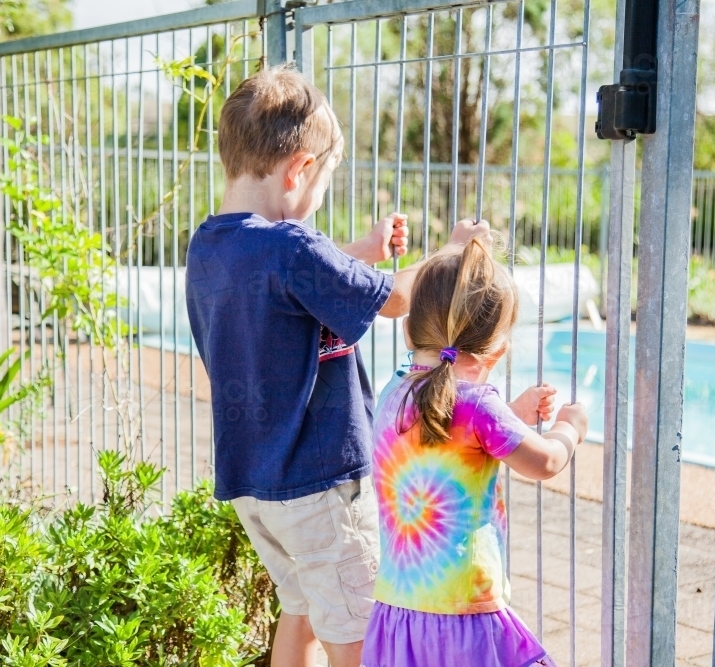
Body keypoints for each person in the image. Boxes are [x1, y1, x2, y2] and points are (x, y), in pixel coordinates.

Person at [185, 64, 494, 667]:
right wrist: (453, 252)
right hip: (318, 480)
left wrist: (360, 254)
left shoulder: (212, 245)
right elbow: (398, 299)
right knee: (357, 629)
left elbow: (285, 282)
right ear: (299, 168)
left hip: (256, 485)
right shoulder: (292, 246)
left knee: (299, 607)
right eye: (324, 179)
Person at [363, 236, 589, 667]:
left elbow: (445, 436)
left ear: (410, 328)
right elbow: (545, 461)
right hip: (463, 612)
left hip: (399, 607)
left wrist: (512, 413)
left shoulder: (394, 391)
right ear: (498, 349)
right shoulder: (478, 405)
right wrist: (568, 428)